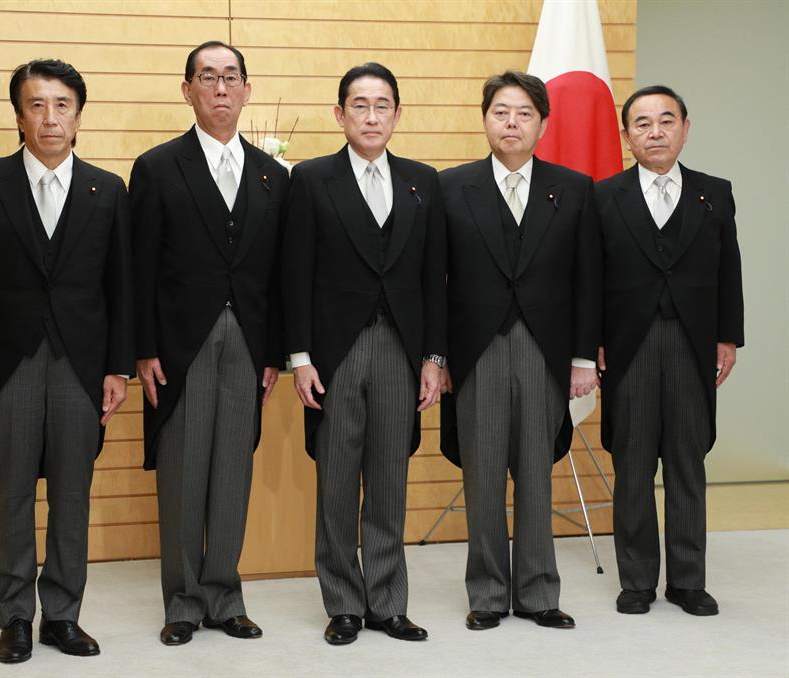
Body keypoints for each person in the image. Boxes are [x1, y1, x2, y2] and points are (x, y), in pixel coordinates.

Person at [0, 59, 133, 663]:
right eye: (37, 104)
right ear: (19, 113)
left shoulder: (109, 190)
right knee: (11, 492)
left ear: (79, 114)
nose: (49, 117)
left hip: (83, 364)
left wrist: (117, 368)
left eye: (62, 105)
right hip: (8, 361)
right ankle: (15, 618)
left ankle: (63, 614)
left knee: (74, 493)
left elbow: (120, 288)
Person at [129, 41, 289, 646]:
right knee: (183, 472)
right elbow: (138, 267)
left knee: (232, 472)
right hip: (179, 345)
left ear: (247, 90)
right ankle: (182, 602)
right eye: (207, 77)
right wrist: (141, 349)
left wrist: (275, 350)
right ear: (188, 90)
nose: (220, 88)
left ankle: (225, 594)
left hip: (249, 342)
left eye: (230, 77)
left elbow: (280, 275)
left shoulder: (275, 175)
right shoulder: (156, 167)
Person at [282, 63, 446, 645]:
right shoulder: (311, 179)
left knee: (389, 476)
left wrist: (435, 357)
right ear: (340, 114)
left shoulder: (424, 181)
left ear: (398, 115)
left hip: (402, 350)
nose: (371, 116)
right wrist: (299, 357)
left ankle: (388, 602)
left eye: (383, 106)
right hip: (334, 351)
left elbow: (434, 279)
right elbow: (294, 273)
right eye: (360, 105)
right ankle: (343, 603)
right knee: (336, 479)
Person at [439, 71, 601, 631]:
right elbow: (435, 280)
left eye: (524, 113)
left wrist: (584, 358)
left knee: (537, 472)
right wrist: (438, 357)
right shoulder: (450, 187)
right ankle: (486, 593)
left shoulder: (575, 189)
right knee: (482, 476)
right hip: (475, 352)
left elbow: (587, 281)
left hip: (544, 351)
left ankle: (538, 592)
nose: (512, 123)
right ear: (484, 118)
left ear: (543, 123)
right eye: (501, 112)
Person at [597, 85, 744, 617]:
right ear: (627, 135)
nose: (654, 131)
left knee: (687, 461)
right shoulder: (604, 195)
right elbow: (591, 277)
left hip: (692, 342)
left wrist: (727, 335)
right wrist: (591, 341)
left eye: (665, 120)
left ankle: (688, 581)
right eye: (642, 123)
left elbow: (730, 269)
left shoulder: (715, 192)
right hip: (627, 346)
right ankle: (636, 581)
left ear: (684, 127)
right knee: (632, 462)